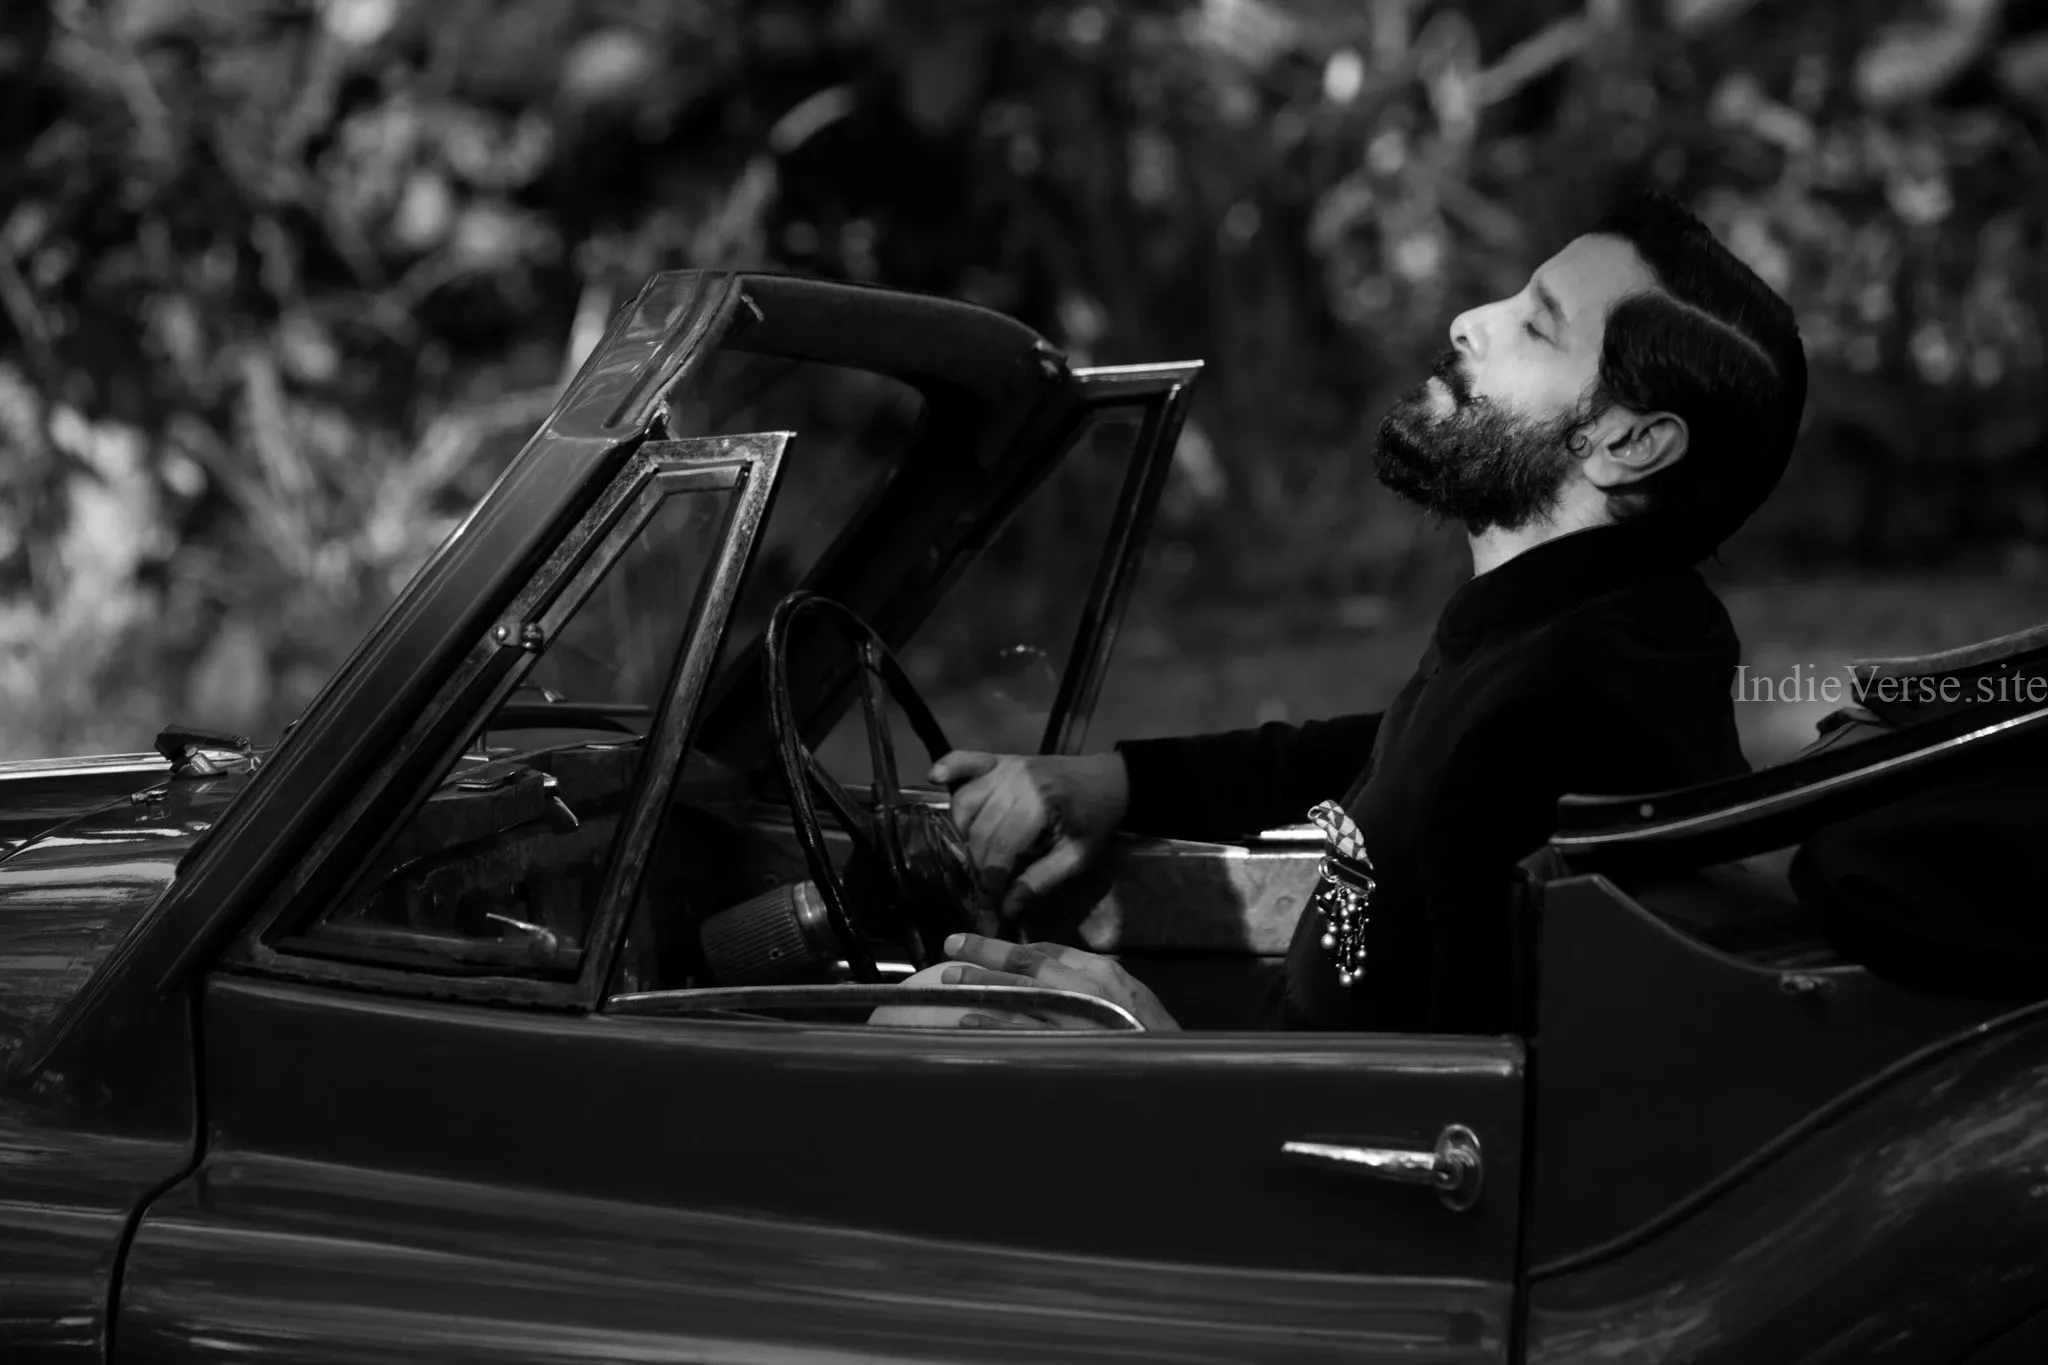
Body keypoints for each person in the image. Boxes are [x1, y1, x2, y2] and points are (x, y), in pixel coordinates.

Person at [924, 190, 1808, 1034]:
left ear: (1630, 443)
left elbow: (1453, 1098)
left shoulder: (1567, 711)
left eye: (1538, 325)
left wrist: (1151, 1047)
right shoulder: (1587, 638)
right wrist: (1126, 783)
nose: (1471, 320)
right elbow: (1391, 757)